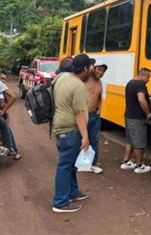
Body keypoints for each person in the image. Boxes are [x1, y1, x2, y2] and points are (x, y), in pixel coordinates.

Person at [52, 54, 95, 213]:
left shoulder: (62, 78)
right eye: (90, 67)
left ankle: (72, 192)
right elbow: (79, 113)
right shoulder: (77, 85)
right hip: (70, 130)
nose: (92, 70)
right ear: (84, 68)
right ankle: (60, 202)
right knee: (65, 165)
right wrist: (85, 136)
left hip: (61, 128)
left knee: (70, 165)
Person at [120, 68, 151, 174]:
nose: (148, 80)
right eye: (148, 77)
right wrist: (148, 113)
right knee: (139, 141)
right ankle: (139, 165)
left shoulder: (130, 83)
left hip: (128, 115)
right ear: (142, 75)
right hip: (137, 117)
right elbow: (141, 99)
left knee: (130, 141)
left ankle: (126, 161)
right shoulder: (140, 85)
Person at [82, 60, 108, 174]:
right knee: (81, 139)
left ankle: (92, 164)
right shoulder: (86, 79)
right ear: (94, 68)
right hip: (83, 115)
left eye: (103, 71)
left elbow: (98, 98)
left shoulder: (100, 82)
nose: (101, 73)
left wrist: (100, 109)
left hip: (94, 116)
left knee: (95, 141)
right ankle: (81, 163)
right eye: (99, 69)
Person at [0, 71, 22, 160]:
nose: (3, 81)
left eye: (4, 79)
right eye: (1, 78)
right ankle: (13, 150)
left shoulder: (2, 89)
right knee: (7, 129)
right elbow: (3, 104)